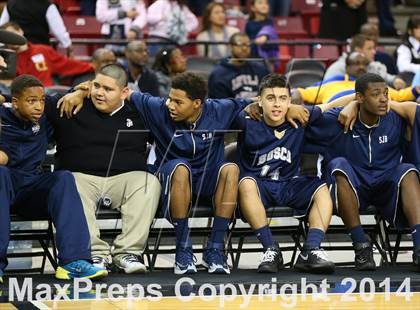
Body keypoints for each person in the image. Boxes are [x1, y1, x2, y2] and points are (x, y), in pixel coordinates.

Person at [50, 64, 161, 273]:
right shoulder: (72, 105)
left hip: (124, 180)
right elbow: (33, 100)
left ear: (125, 92)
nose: (100, 93)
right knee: (68, 182)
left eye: (108, 89)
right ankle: (95, 254)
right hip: (81, 179)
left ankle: (127, 253)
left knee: (149, 183)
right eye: (96, 86)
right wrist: (76, 92)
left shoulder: (140, 113)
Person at [305, 73, 420, 270]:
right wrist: (350, 103)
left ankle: (419, 248)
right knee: (338, 165)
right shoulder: (338, 119)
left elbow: (412, 108)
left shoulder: (397, 118)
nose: (384, 99)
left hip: (386, 184)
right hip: (352, 185)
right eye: (376, 94)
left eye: (386, 93)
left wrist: (357, 102)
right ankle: (361, 245)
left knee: (408, 171)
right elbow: (300, 118)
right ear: (360, 97)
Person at [0, 75, 107, 283]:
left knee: (63, 178)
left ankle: (72, 262)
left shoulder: (45, 114)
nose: (39, 106)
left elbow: (89, 87)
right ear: (15, 102)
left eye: (41, 100)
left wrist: (79, 93)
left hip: (30, 190)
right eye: (31, 101)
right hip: (4, 186)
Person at [235, 73, 337, 274]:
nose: (277, 104)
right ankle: (271, 249)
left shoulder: (300, 116)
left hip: (289, 184)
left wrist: (353, 104)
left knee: (321, 188)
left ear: (290, 102)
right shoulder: (246, 120)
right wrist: (247, 105)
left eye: (283, 98)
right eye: (270, 98)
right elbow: (220, 109)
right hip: (258, 187)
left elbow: (332, 105)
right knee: (246, 182)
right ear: (259, 101)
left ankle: (311, 249)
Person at [294, 52, 419, 105]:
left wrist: (416, 90)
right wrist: (296, 97)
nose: (361, 67)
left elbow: (400, 96)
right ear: (347, 67)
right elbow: (301, 92)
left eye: (364, 64)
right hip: (339, 113)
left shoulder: (375, 84)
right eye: (357, 63)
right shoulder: (334, 81)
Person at [2, 22, 94, 87]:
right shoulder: (5, 58)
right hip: (22, 96)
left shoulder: (42, 50)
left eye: (13, 34)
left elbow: (66, 64)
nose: (12, 39)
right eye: (8, 37)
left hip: (46, 92)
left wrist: (92, 67)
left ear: (20, 31)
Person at [324, 34, 405, 89]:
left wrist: (395, 80)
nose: (374, 52)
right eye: (369, 49)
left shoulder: (372, 65)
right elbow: (326, 89)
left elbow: (386, 78)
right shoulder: (338, 67)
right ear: (357, 50)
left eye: (374, 48)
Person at [208, 32, 270, 99]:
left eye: (248, 45)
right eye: (240, 45)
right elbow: (220, 105)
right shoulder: (219, 74)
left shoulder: (260, 69)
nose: (244, 48)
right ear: (230, 46)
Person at [0, 0, 73, 55]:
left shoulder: (11, 4)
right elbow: (59, 32)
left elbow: (2, 28)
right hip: (40, 52)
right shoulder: (47, 5)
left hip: (18, 52)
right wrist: (67, 47)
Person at [396, 15, 420, 83]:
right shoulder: (404, 47)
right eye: (418, 28)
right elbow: (403, 67)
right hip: (409, 82)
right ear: (410, 31)